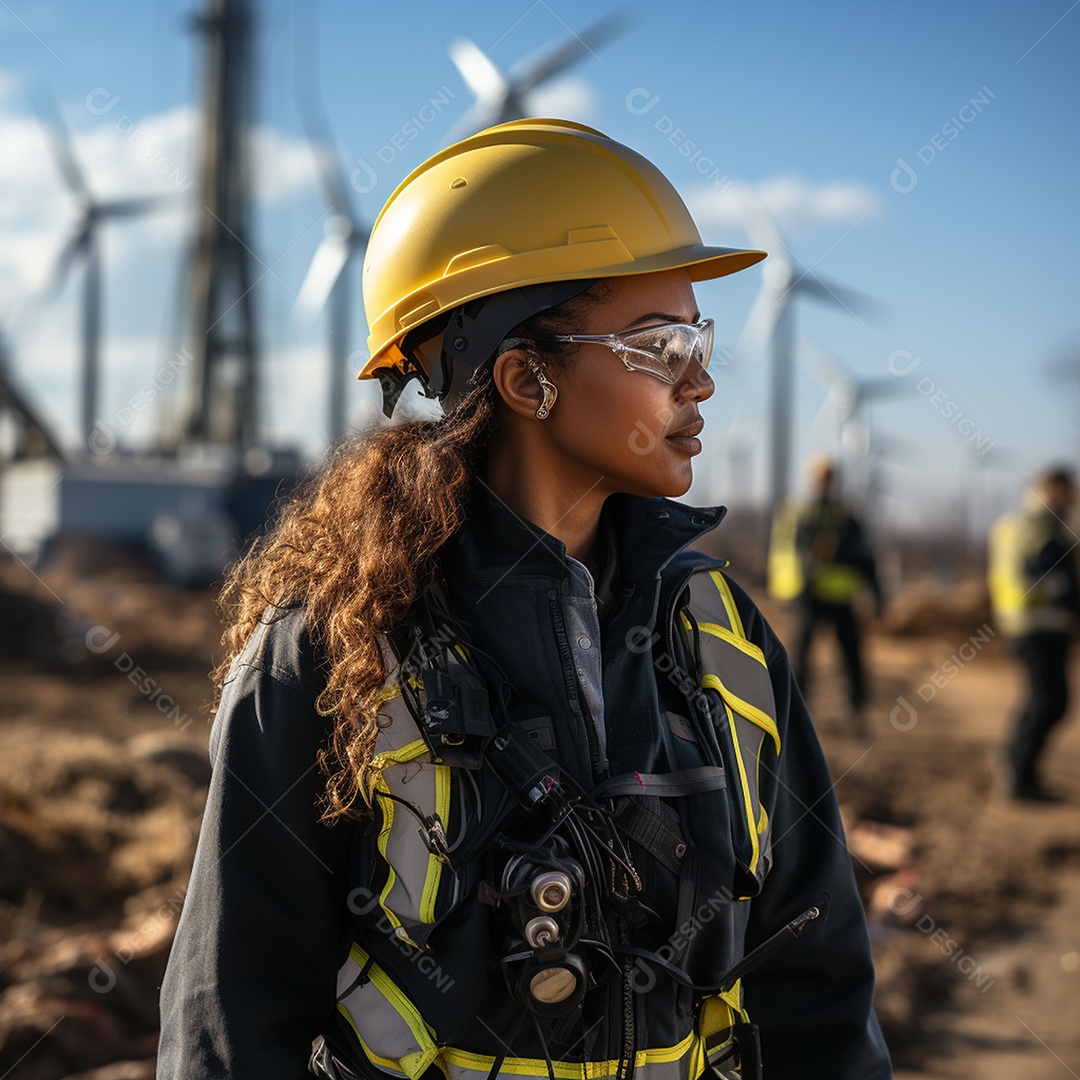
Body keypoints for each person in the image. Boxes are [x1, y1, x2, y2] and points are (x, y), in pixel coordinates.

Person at [157, 119, 891, 1080]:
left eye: (699, 337)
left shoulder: (722, 638)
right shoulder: (331, 652)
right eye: (660, 345)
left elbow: (817, 985)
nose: (702, 380)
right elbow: (231, 1020)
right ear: (525, 378)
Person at [768, 456, 882, 730]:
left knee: (851, 654)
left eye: (829, 477)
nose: (826, 482)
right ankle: (795, 711)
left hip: (840, 597)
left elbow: (866, 557)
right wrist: (795, 581)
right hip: (809, 594)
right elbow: (789, 552)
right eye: (823, 477)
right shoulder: (801, 514)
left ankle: (856, 709)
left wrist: (877, 593)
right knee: (800, 653)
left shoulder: (845, 516)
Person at [989, 466, 1080, 802]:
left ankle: (1017, 764)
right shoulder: (1044, 530)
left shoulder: (1017, 525)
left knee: (1044, 699)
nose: (1072, 500)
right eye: (1068, 493)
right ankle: (1018, 772)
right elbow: (1051, 577)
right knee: (1049, 700)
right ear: (1053, 491)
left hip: (1027, 624)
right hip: (1040, 625)